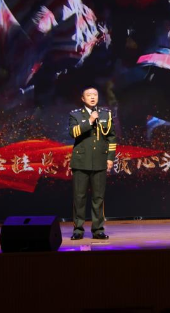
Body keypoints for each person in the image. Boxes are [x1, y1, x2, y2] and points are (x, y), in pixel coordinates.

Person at [69, 86, 116, 240]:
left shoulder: (106, 114)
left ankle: (98, 230)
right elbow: (72, 133)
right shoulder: (75, 114)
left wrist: (110, 158)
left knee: (98, 198)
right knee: (79, 197)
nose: (92, 97)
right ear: (83, 99)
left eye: (95, 94)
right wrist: (89, 121)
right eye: (89, 95)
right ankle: (78, 230)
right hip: (81, 162)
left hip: (100, 161)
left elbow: (111, 137)